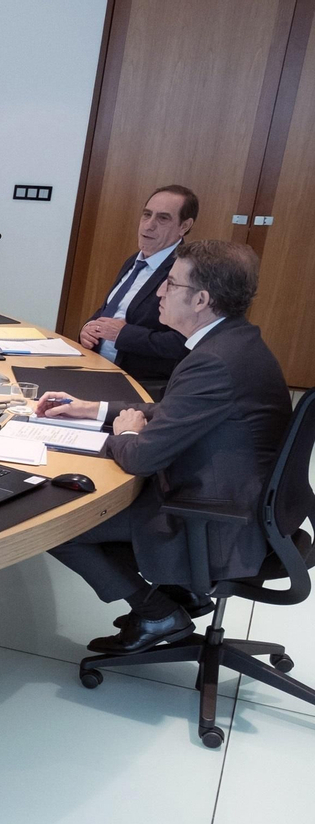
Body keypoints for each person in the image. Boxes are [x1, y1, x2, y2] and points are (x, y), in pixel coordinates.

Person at [38, 240, 293, 655]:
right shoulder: (235, 341)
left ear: (201, 300)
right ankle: (179, 594)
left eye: (171, 284)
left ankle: (157, 613)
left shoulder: (212, 361)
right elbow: (176, 410)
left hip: (216, 521)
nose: (159, 292)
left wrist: (127, 434)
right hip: (246, 501)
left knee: (59, 523)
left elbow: (142, 458)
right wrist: (92, 408)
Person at [78, 185, 198, 396]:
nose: (148, 226)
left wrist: (124, 334)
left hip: (136, 386)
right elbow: (111, 309)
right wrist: (88, 327)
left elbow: (183, 343)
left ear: (184, 226)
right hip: (95, 369)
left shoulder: (185, 272)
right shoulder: (135, 260)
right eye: (146, 215)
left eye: (162, 218)